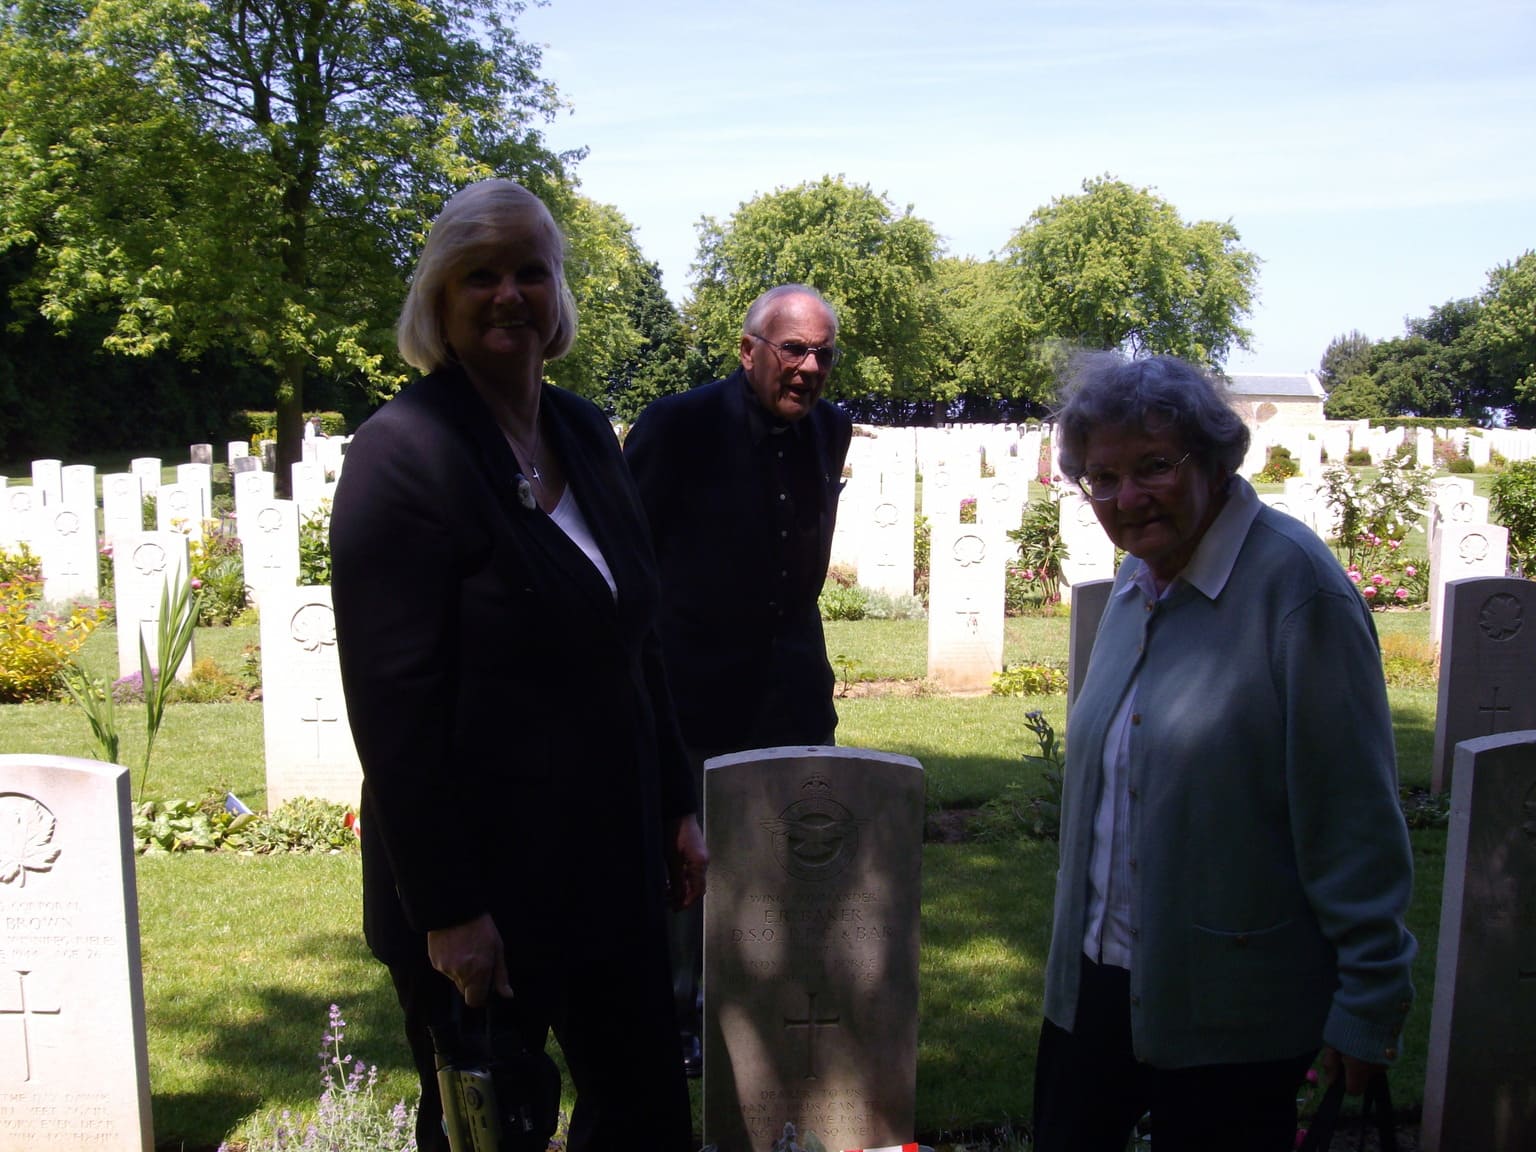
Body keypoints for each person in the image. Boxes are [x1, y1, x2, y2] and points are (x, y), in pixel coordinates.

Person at [330, 178, 705, 1152]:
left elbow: (639, 640)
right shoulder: (403, 452)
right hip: (485, 889)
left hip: (611, 866)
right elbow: (395, 708)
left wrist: (676, 802)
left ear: (557, 294)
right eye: (478, 276)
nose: (508, 296)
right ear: (439, 304)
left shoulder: (583, 432)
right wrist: (450, 911)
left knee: (643, 1113)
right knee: (492, 1128)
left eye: (529, 272)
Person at [1032, 353, 1416, 1152]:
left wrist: (1369, 1000)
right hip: (1095, 985)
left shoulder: (1296, 591)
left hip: (1230, 1006)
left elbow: (1353, 812)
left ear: (1210, 457)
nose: (1128, 499)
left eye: (1154, 467)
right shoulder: (1138, 585)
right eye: (1102, 479)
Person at [623, 283, 853, 1073]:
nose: (810, 366)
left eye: (823, 352)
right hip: (694, 687)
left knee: (797, 857)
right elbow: (631, 564)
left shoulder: (831, 427)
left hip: (792, 684)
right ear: (750, 348)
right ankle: (682, 1014)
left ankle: (782, 1000)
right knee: (692, 868)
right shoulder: (676, 426)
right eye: (793, 349)